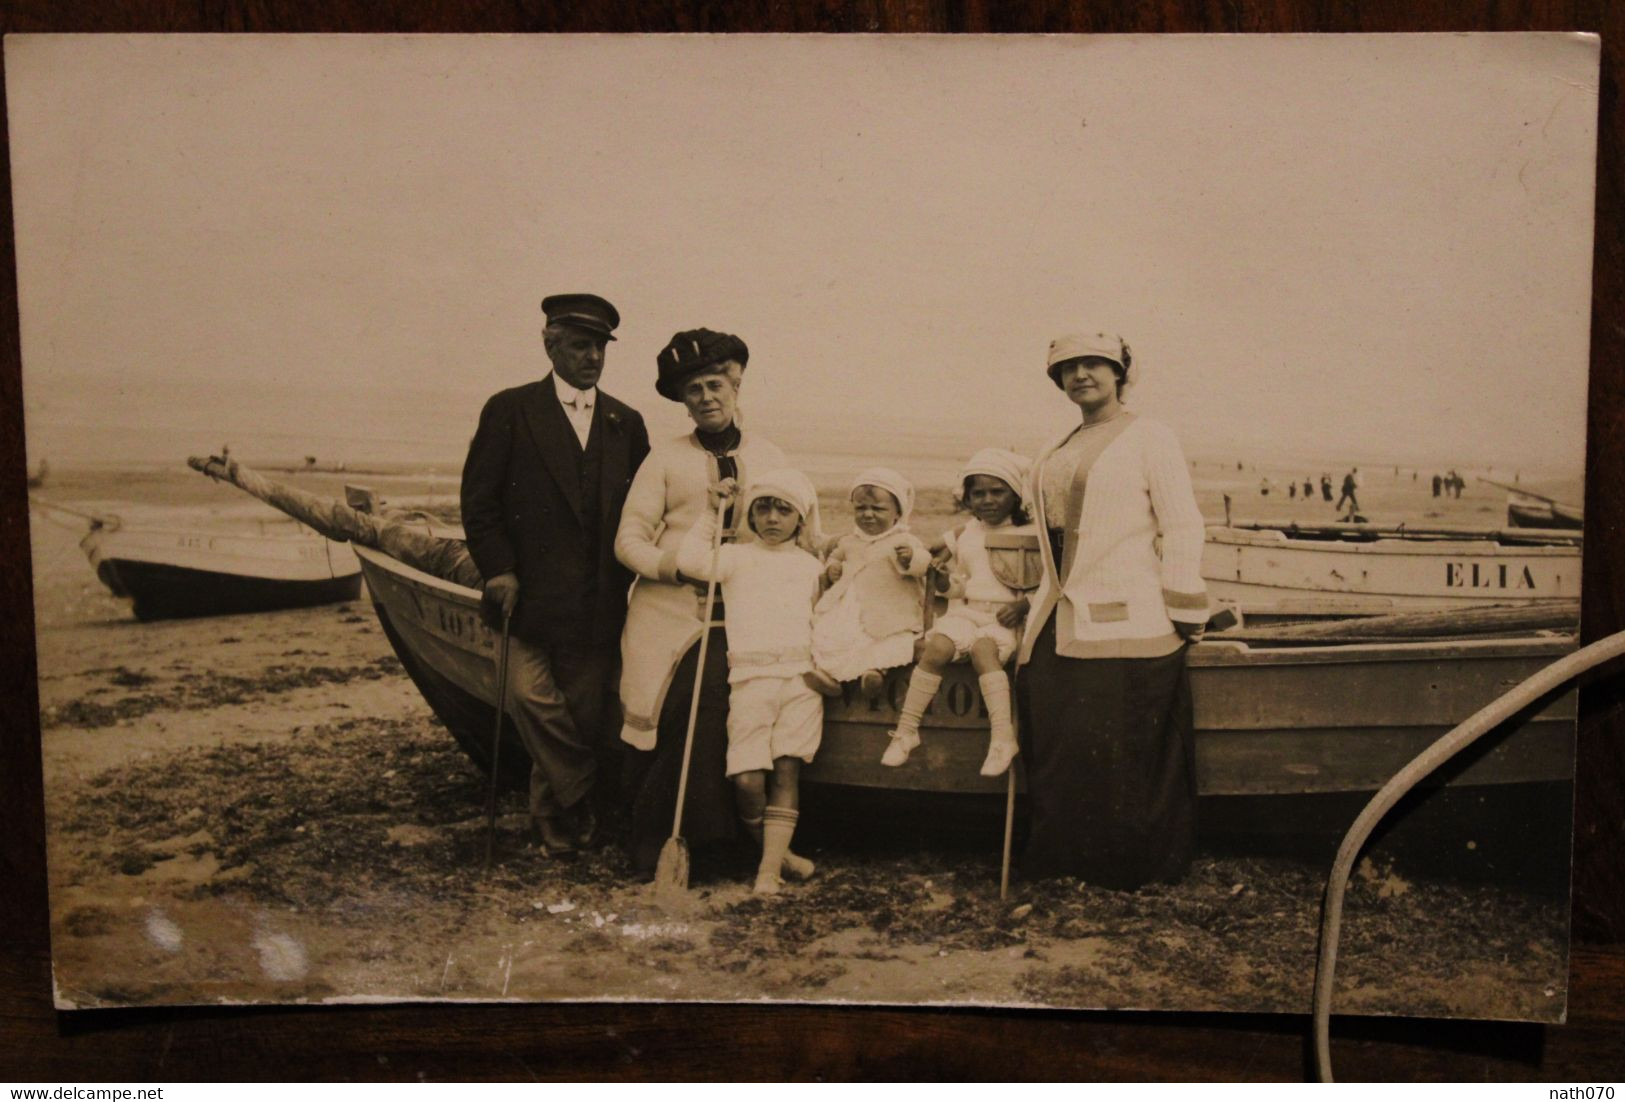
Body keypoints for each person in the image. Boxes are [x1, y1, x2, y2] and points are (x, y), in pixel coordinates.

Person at [460, 293, 650, 857]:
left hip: (597, 604)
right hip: (525, 600)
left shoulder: (626, 422)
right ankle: (585, 791)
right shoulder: (510, 409)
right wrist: (499, 569)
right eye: (580, 345)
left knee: (580, 714)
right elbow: (479, 502)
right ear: (550, 344)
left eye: (600, 348)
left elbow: (644, 509)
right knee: (530, 699)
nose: (592, 358)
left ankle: (555, 819)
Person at [1017, 330, 1207, 889]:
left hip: (1135, 619)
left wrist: (1184, 607)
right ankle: (1065, 861)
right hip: (1058, 617)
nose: (1081, 375)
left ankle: (1128, 868)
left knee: (1124, 750)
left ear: (1120, 371)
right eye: (1068, 367)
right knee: (1059, 742)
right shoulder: (1059, 444)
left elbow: (1182, 524)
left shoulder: (1151, 437)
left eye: (1094, 365)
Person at [615, 328, 790, 880]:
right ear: (683, 401)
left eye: (715, 384)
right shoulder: (663, 460)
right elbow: (629, 541)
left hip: (743, 613)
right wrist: (674, 565)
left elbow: (800, 530)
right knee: (679, 709)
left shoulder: (769, 456)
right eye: (694, 391)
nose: (707, 397)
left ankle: (720, 849)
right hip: (667, 614)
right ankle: (656, 846)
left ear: (736, 383)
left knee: (732, 713)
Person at [676, 469, 825, 893]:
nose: (773, 518)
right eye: (764, 508)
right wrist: (710, 512)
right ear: (752, 516)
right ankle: (778, 853)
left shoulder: (812, 566)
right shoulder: (737, 557)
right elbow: (690, 561)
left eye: (784, 509)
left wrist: (825, 672)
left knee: (786, 770)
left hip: (800, 680)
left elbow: (828, 620)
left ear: (800, 517)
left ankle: (768, 873)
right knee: (747, 778)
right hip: (751, 679)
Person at [882, 448, 1039, 776]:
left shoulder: (1031, 534)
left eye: (998, 492)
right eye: (978, 493)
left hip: (1005, 619)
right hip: (969, 612)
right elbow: (959, 588)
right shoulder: (968, 533)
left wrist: (1024, 604)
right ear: (967, 499)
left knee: (984, 650)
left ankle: (1002, 738)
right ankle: (907, 731)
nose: (987, 500)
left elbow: (1047, 583)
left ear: (1015, 494)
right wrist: (942, 582)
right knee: (936, 646)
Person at [187, 454, 482, 589]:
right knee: (365, 523)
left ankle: (242, 476)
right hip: (468, 560)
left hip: (465, 564)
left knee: (361, 524)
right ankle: (242, 476)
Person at [807, 468, 930, 700]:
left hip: (889, 610)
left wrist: (911, 558)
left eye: (878, 509)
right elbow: (835, 556)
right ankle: (831, 678)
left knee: (888, 643)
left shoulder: (903, 540)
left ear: (897, 514)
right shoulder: (850, 541)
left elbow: (924, 564)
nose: (868, 515)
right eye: (861, 508)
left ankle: (875, 673)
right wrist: (832, 568)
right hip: (852, 609)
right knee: (834, 637)